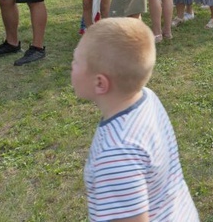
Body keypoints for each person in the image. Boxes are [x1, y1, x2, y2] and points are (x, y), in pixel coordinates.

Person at [72, 17, 199, 220]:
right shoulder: (147, 97)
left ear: (99, 83)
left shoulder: (116, 154)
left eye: (76, 61)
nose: (72, 66)